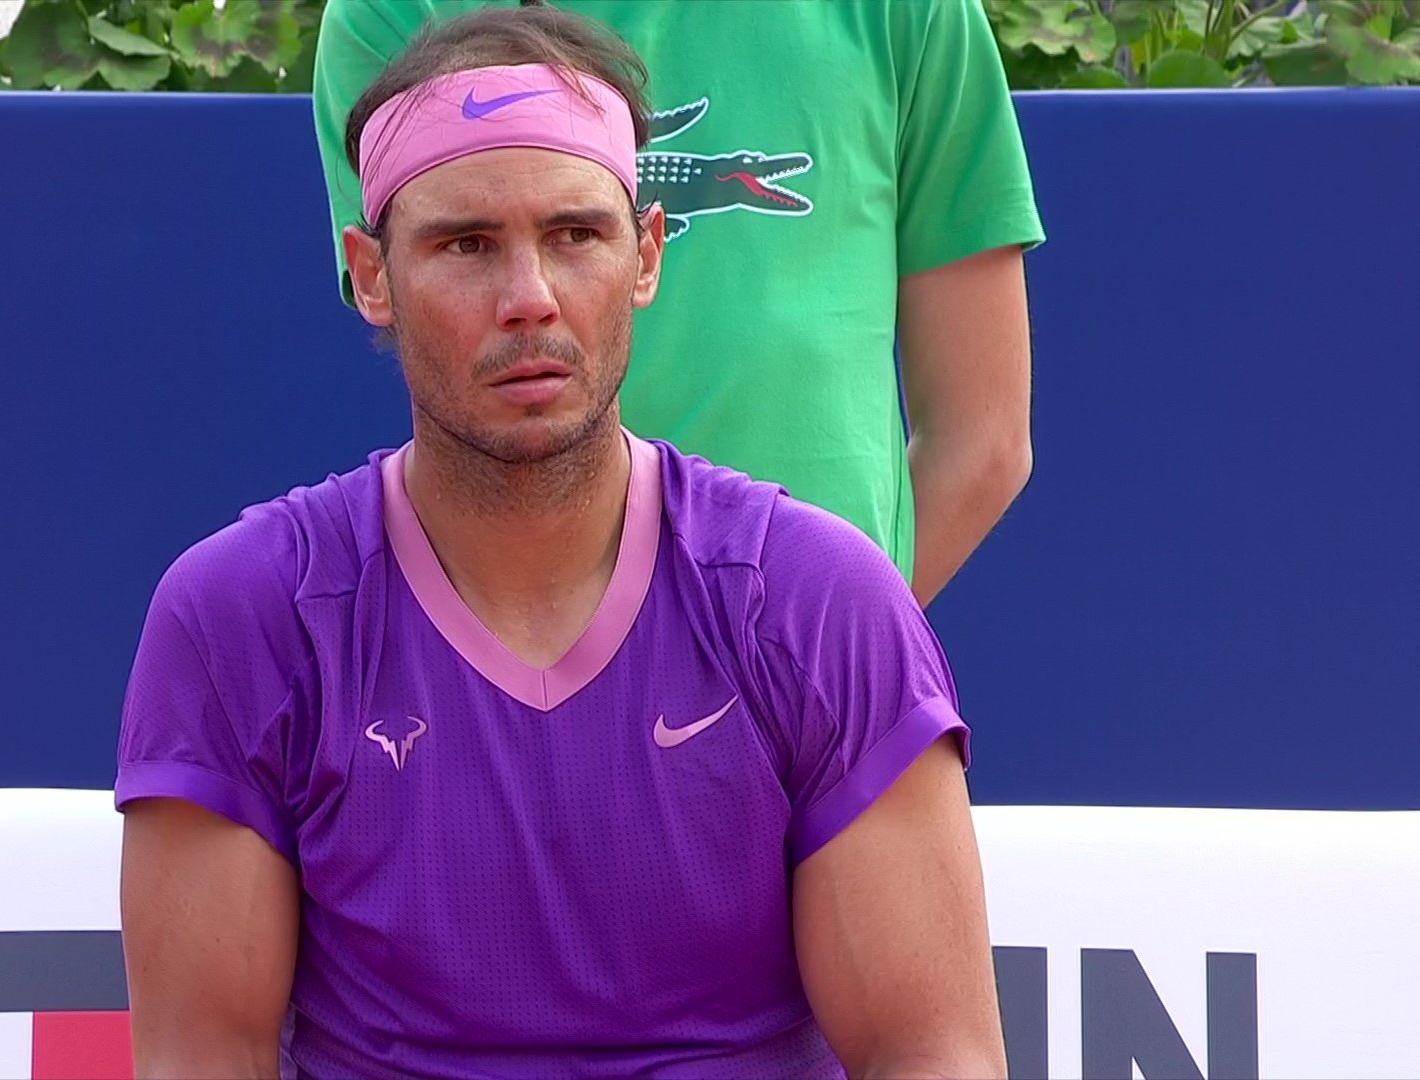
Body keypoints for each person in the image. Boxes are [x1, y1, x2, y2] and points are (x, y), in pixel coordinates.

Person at [116, 7, 1004, 1078]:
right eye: (466, 245)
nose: (528, 299)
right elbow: (201, 1057)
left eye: (576, 235)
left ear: (646, 254)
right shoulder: (242, 620)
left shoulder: (824, 605)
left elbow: (935, 1056)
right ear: (371, 274)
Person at [313, 0, 1043, 608]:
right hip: (509, 686)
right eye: (472, 244)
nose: (529, 298)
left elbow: (984, 440)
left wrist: (823, 656)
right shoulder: (397, 9)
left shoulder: (910, 11)